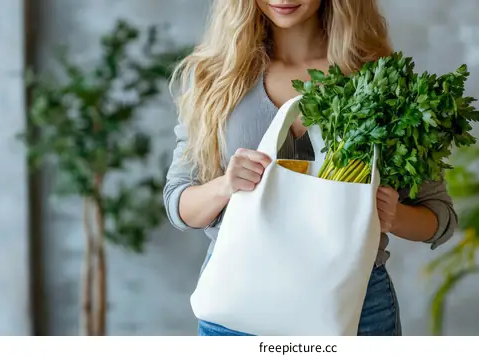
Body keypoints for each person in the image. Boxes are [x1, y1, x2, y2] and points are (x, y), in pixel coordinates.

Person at [164, 0, 457, 336]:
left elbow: (439, 217)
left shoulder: (383, 80)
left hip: (356, 307)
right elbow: (178, 204)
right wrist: (225, 186)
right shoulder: (215, 77)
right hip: (240, 306)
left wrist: (394, 216)